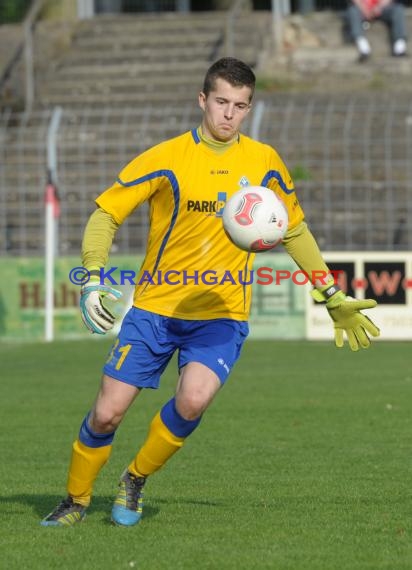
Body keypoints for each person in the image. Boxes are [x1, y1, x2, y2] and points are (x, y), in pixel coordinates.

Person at [41, 57, 380, 528]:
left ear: (249, 108)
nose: (229, 114)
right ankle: (76, 501)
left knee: (194, 400)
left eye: (240, 106)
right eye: (221, 102)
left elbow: (295, 231)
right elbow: (106, 213)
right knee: (106, 414)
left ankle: (135, 478)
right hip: (156, 310)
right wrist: (94, 276)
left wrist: (331, 295)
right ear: (203, 100)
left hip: (221, 313)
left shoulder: (263, 162)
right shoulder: (167, 157)